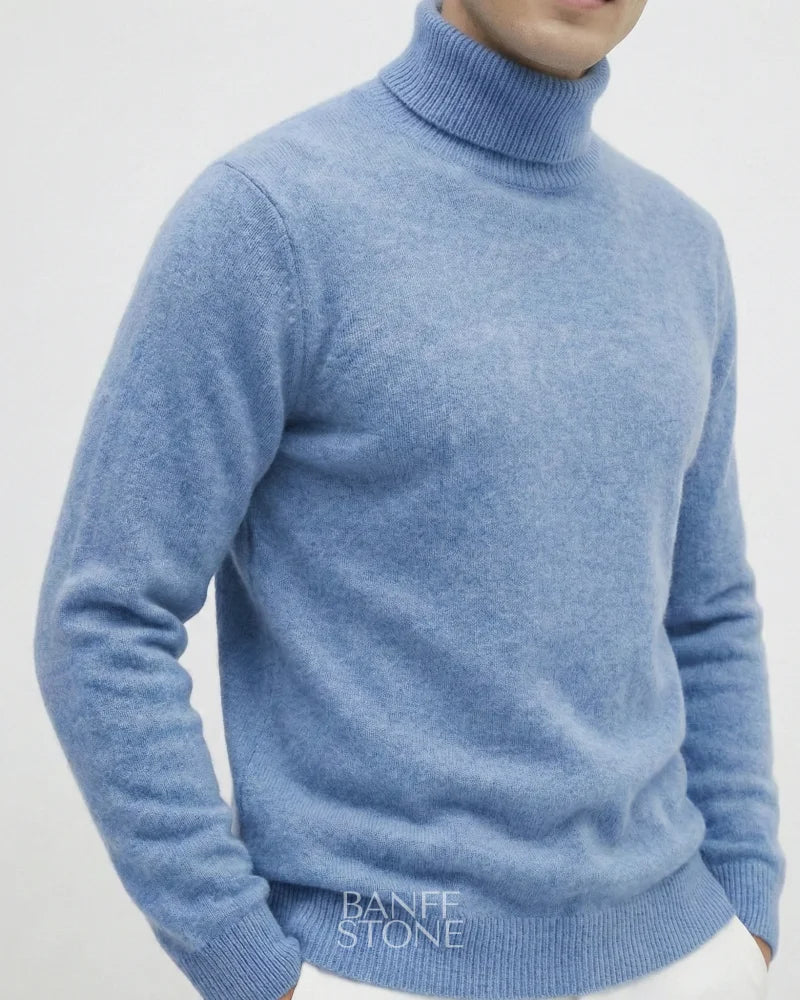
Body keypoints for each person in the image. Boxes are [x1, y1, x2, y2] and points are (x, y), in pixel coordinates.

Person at [33, 1, 786, 999]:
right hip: (382, 962)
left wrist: (748, 899)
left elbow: (706, 607)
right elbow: (100, 617)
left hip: (689, 955)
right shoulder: (270, 218)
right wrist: (250, 965)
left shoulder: (682, 246)